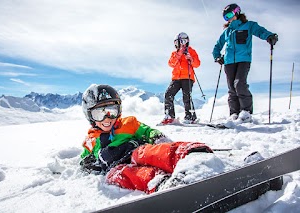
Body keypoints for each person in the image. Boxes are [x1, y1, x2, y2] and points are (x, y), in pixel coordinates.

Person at [79, 84, 213, 193]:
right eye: (99, 114)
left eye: (111, 111)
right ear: (90, 116)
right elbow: (84, 159)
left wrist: (157, 137)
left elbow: (147, 131)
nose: (106, 118)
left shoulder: (128, 123)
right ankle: (160, 182)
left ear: (118, 110)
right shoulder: (91, 140)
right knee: (118, 176)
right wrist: (88, 163)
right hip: (116, 166)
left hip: (134, 153)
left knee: (147, 152)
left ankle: (186, 154)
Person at [212, 3, 278, 122]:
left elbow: (260, 31)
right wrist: (217, 57)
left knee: (240, 84)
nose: (229, 18)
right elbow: (217, 46)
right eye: (226, 17)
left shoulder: (249, 25)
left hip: (244, 60)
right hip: (228, 62)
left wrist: (269, 36)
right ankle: (234, 113)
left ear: (237, 12)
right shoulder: (227, 31)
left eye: (230, 15)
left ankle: (246, 112)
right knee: (232, 88)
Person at [161, 32, 201, 125]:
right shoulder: (174, 53)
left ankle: (190, 116)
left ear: (187, 42)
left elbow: (197, 64)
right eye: (177, 42)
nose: (179, 44)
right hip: (176, 78)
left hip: (187, 77)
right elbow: (171, 63)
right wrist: (178, 54)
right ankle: (169, 116)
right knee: (168, 94)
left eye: (182, 41)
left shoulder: (191, 51)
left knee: (187, 96)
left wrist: (191, 59)